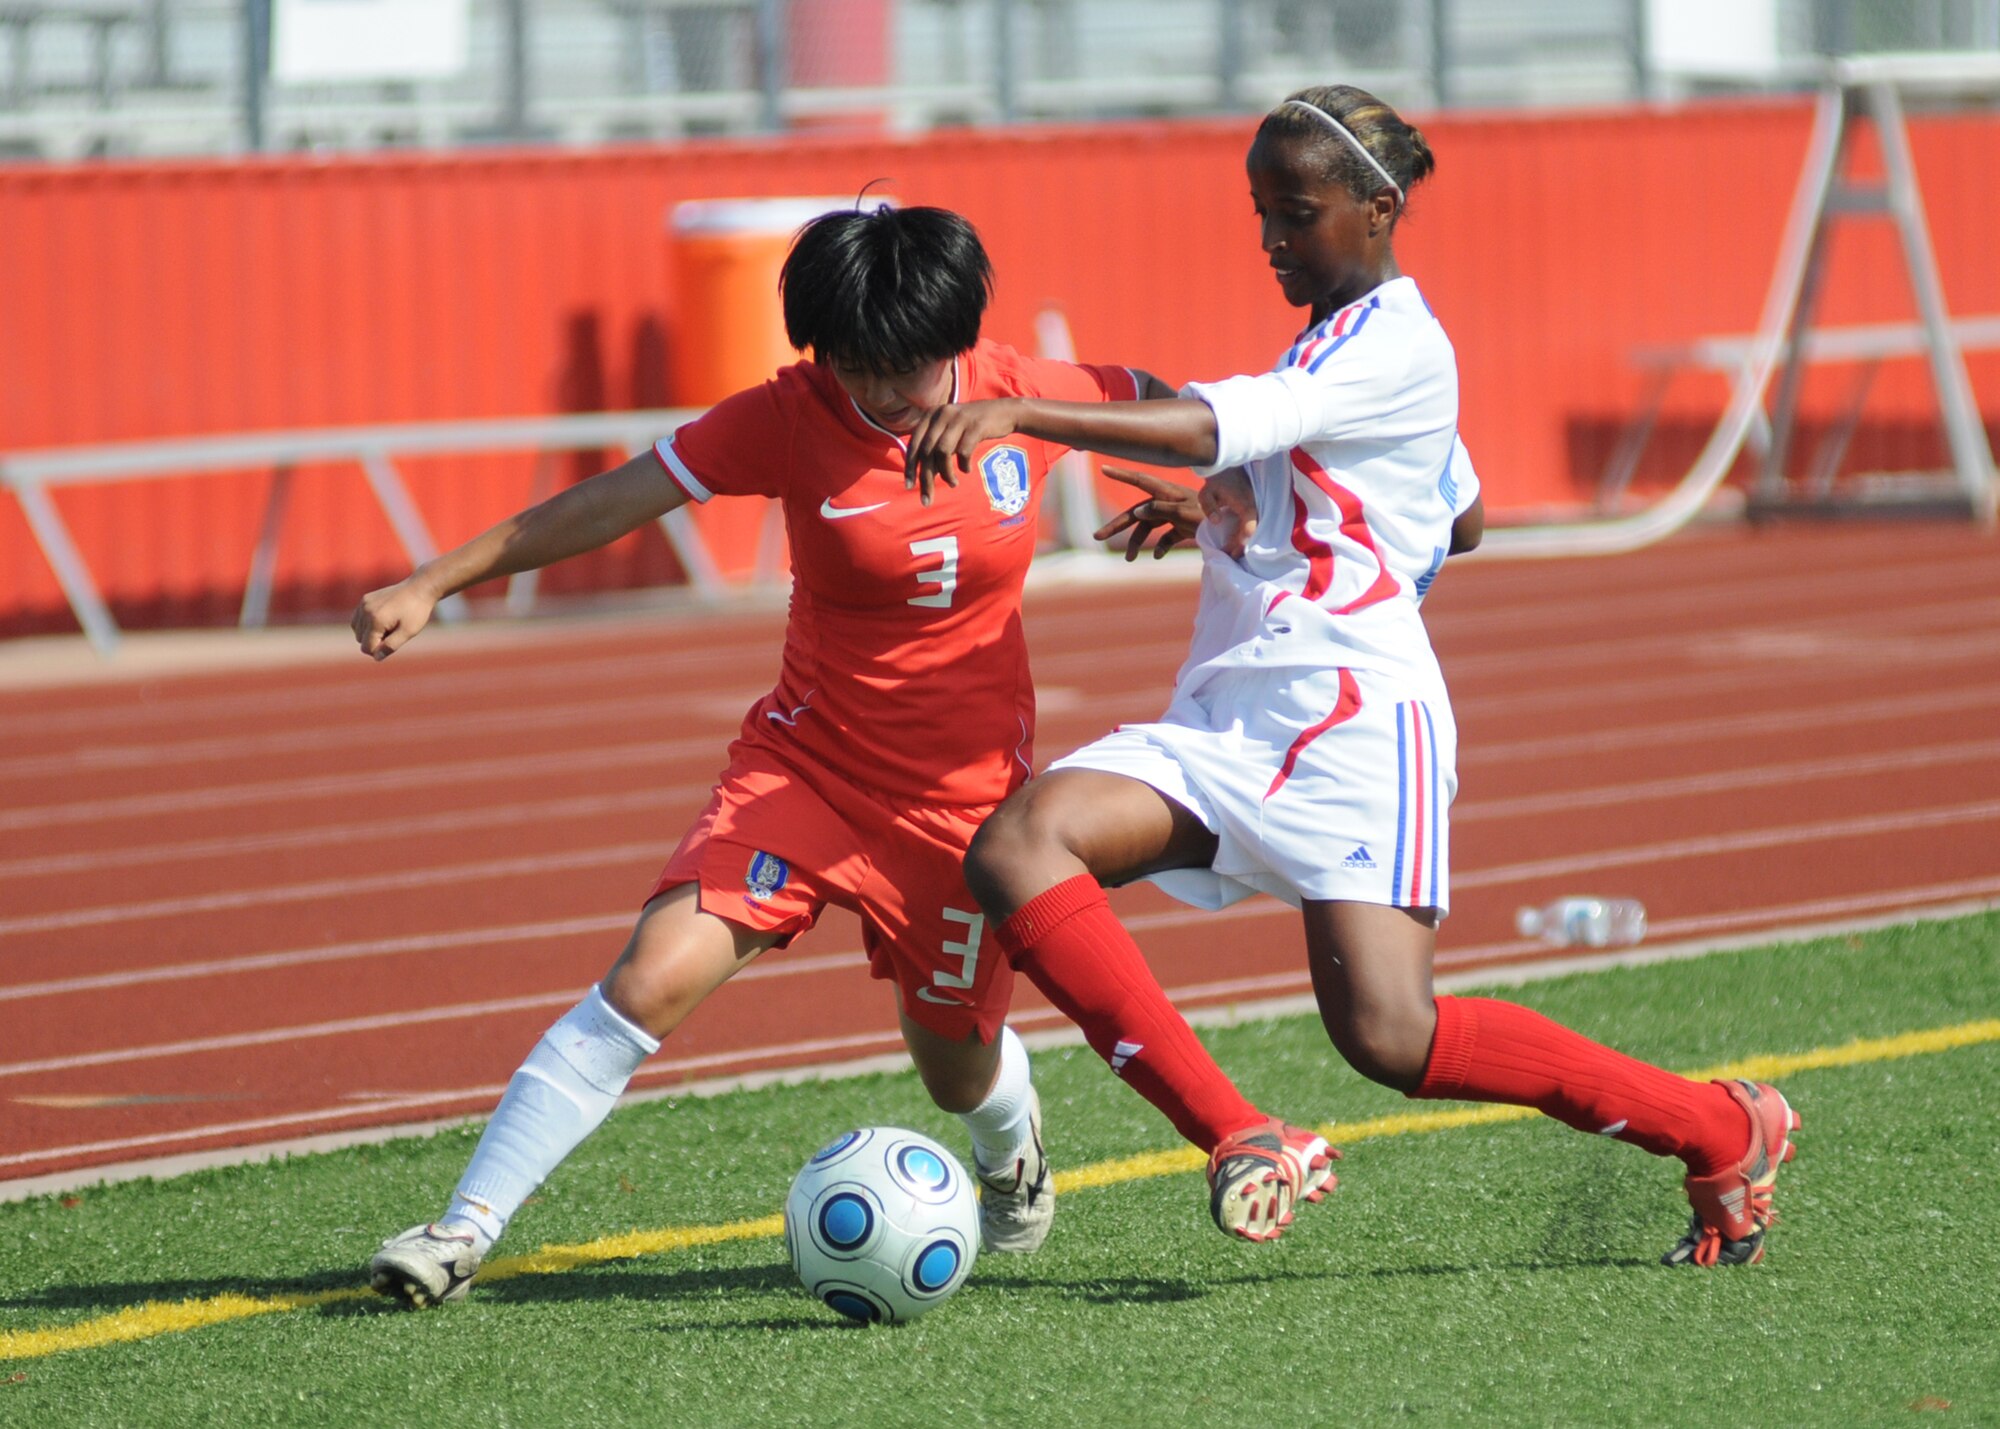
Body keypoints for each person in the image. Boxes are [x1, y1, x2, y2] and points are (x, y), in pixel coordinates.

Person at [354, 205, 1331, 1309]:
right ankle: (459, 1230)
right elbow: (612, 499)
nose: (886, 392)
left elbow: (1183, 410)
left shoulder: (1020, 392)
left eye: (909, 366)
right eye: (857, 367)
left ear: (959, 337)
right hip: (803, 772)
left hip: (968, 817)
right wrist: (434, 579)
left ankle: (1011, 1148)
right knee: (650, 975)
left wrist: (1214, 497)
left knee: (953, 1062)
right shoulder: (787, 418)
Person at [904, 86, 1801, 1269]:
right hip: (1237, 713)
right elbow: (1458, 514)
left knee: (1391, 1038)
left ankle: (1714, 1123)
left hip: (1355, 728)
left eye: (1297, 213)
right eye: (1261, 213)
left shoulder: (1392, 342)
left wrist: (1023, 408)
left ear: (1378, 211)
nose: (1273, 239)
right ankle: (1235, 1133)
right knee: (1020, 844)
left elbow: (1232, 422)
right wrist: (1244, 510)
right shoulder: (1348, 336)